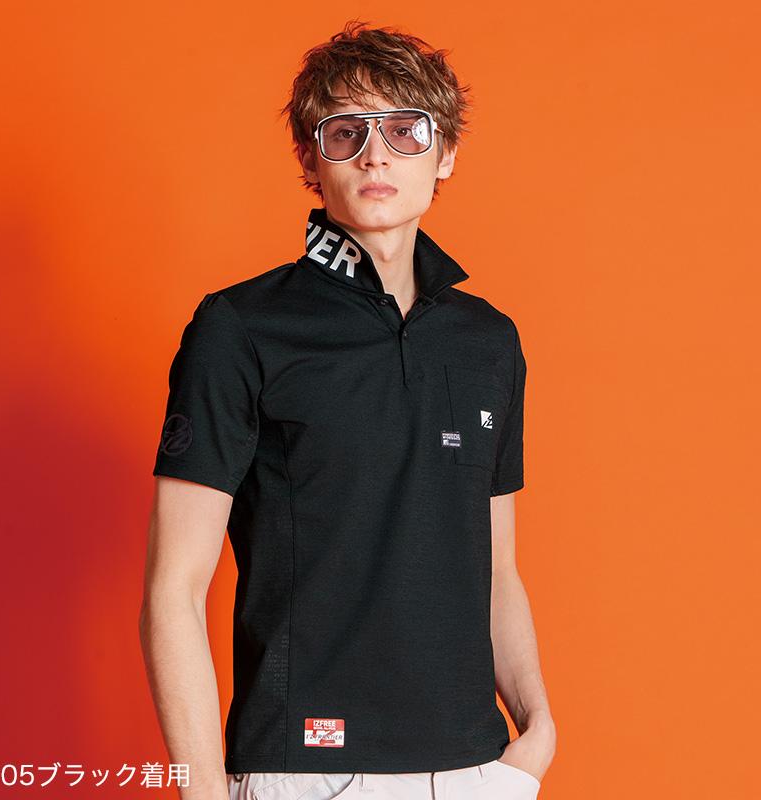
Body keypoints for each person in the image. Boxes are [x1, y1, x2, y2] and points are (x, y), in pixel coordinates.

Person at [140, 19, 556, 800]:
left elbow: (498, 568)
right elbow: (174, 588)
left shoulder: (487, 341)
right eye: (346, 132)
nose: (376, 154)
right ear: (311, 158)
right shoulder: (241, 328)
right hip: (308, 769)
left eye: (405, 130)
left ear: (445, 153)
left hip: (478, 768)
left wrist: (536, 728)